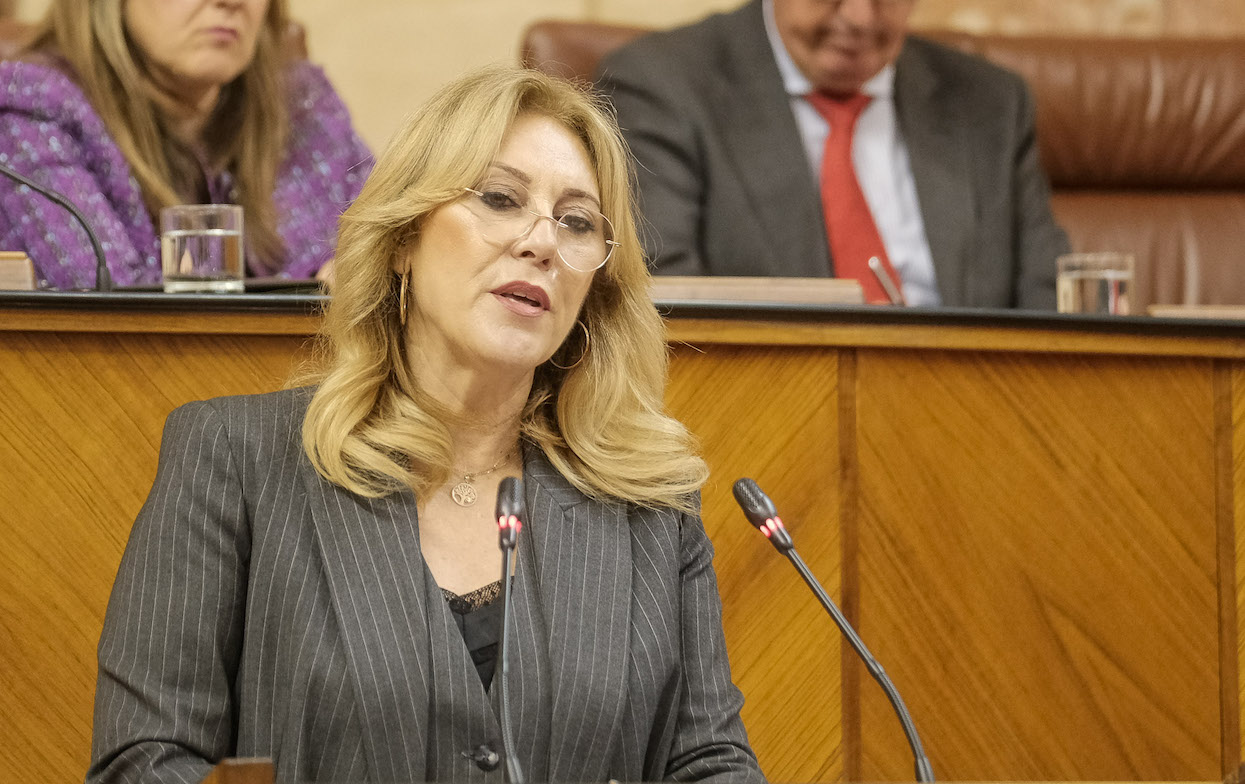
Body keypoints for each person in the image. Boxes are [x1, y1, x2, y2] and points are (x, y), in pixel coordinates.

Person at [87, 65, 764, 784]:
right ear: (404, 240)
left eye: (577, 222)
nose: (542, 241)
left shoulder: (647, 506)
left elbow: (708, 762)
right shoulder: (236, 461)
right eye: (500, 199)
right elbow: (144, 762)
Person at [596, 0, 1069, 308]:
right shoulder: (664, 85)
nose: (860, 17)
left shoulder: (990, 104)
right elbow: (662, 301)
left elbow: (1050, 299)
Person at [0, 0, 371, 289]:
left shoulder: (302, 103)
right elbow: (114, 311)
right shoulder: (32, 106)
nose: (231, 2)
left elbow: (392, 243)